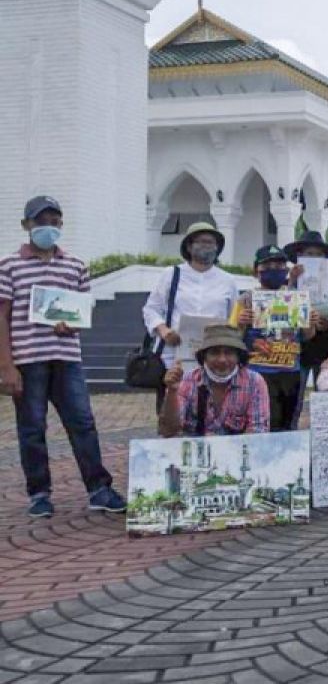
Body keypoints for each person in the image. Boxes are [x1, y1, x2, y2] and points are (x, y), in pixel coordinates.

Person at [0, 195, 126, 517]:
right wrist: (7, 367)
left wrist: (70, 325)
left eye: (54, 221)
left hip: (67, 358)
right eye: (40, 221)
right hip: (28, 360)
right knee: (32, 429)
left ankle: (99, 488)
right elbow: (1, 317)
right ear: (26, 225)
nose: (48, 227)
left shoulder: (76, 265)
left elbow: (83, 314)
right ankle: (39, 493)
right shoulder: (8, 265)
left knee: (83, 423)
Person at [142, 221, 240, 412]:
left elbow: (232, 319)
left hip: (213, 358)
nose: (206, 246)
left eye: (211, 243)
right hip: (175, 354)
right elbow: (151, 309)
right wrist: (164, 330)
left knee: (210, 410)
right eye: (201, 241)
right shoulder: (171, 274)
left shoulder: (227, 280)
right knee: (173, 409)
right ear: (189, 246)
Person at [231, 245, 317, 431]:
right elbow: (232, 338)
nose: (275, 270)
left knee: (288, 424)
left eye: (279, 265)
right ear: (256, 271)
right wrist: (241, 322)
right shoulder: (245, 299)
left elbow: (308, 336)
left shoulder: (296, 298)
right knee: (264, 423)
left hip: (291, 371)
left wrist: (310, 321)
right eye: (268, 266)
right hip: (259, 372)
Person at [159, 324, 270, 437]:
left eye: (229, 353)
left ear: (238, 357)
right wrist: (172, 392)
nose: (222, 359)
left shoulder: (255, 382)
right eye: (215, 352)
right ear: (204, 357)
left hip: (237, 451)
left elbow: (257, 434)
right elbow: (168, 431)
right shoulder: (188, 380)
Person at [285, 230, 328, 392]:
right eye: (309, 253)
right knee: (295, 396)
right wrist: (292, 281)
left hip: (323, 346)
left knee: (325, 394)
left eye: (319, 254)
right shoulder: (289, 281)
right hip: (296, 346)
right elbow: (280, 311)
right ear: (300, 255)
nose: (314, 258)